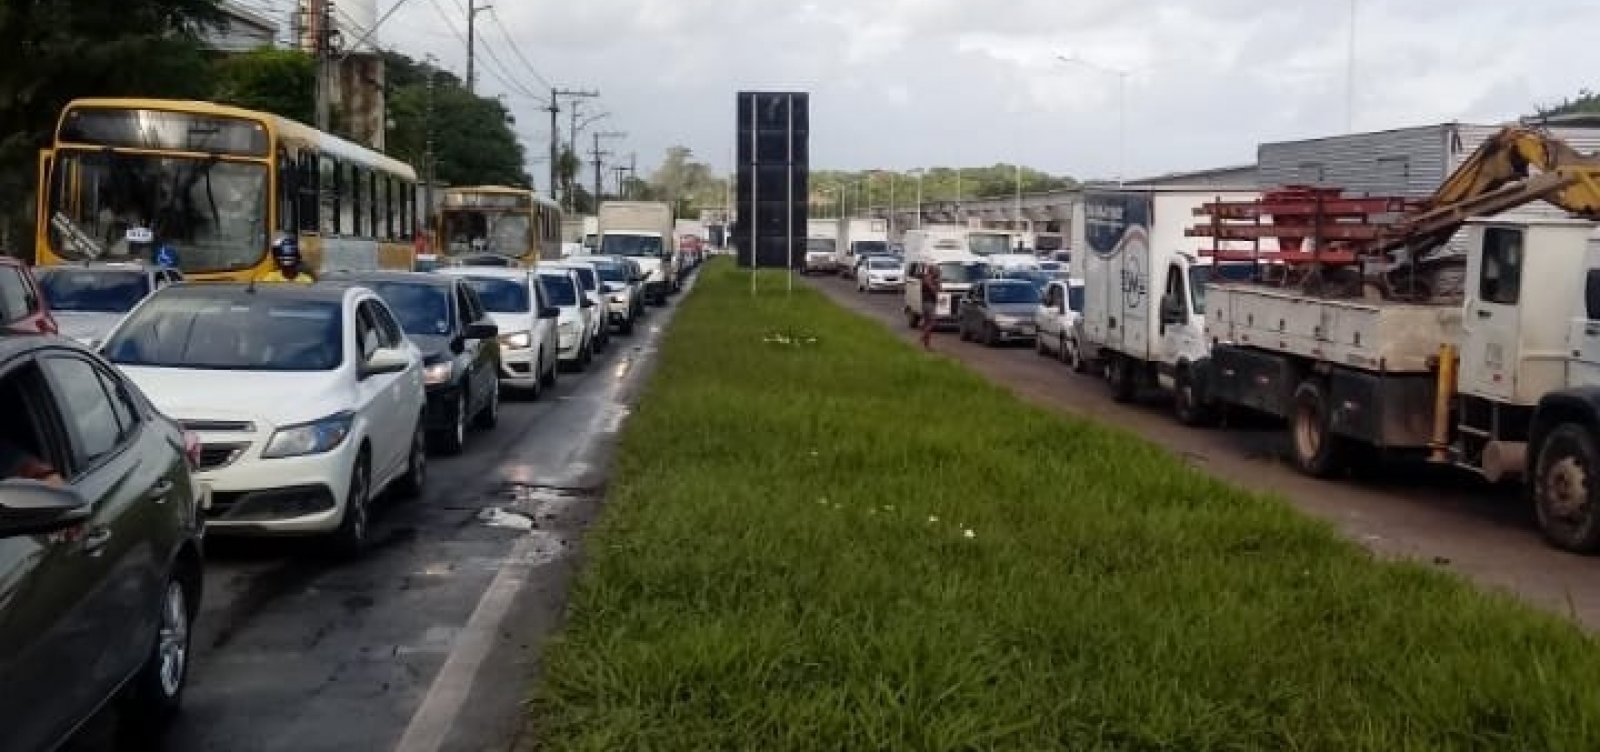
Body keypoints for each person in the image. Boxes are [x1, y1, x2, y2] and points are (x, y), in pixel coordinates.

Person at [919, 264, 942, 350]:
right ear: (932, 271)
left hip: (929, 303)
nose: (938, 272)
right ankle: (923, 337)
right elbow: (934, 290)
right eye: (937, 271)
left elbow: (940, 289)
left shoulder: (932, 279)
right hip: (928, 303)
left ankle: (926, 345)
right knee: (932, 322)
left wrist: (938, 282)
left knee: (927, 323)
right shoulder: (927, 279)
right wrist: (936, 285)